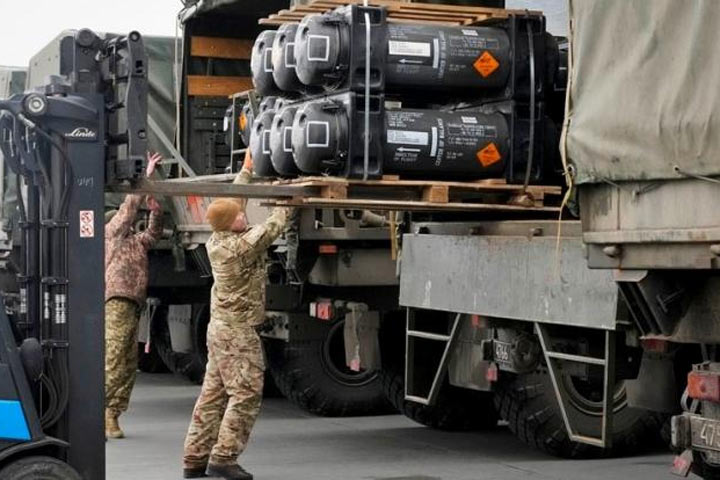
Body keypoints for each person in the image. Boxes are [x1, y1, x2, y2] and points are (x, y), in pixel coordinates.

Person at [183, 152, 293, 480]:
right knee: (245, 393)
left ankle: (194, 459)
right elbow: (274, 225)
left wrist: (246, 171)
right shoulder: (239, 247)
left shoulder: (219, 237)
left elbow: (234, 200)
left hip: (220, 331)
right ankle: (223, 458)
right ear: (232, 224)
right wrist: (289, 196)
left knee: (212, 395)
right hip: (237, 333)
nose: (243, 216)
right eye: (239, 216)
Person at [105, 152, 163, 439]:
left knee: (128, 364)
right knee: (114, 358)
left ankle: (112, 414)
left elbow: (154, 234)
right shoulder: (111, 235)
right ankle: (99, 409)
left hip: (133, 304)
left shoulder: (136, 243)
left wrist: (155, 210)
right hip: (116, 301)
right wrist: (147, 178)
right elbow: (128, 209)